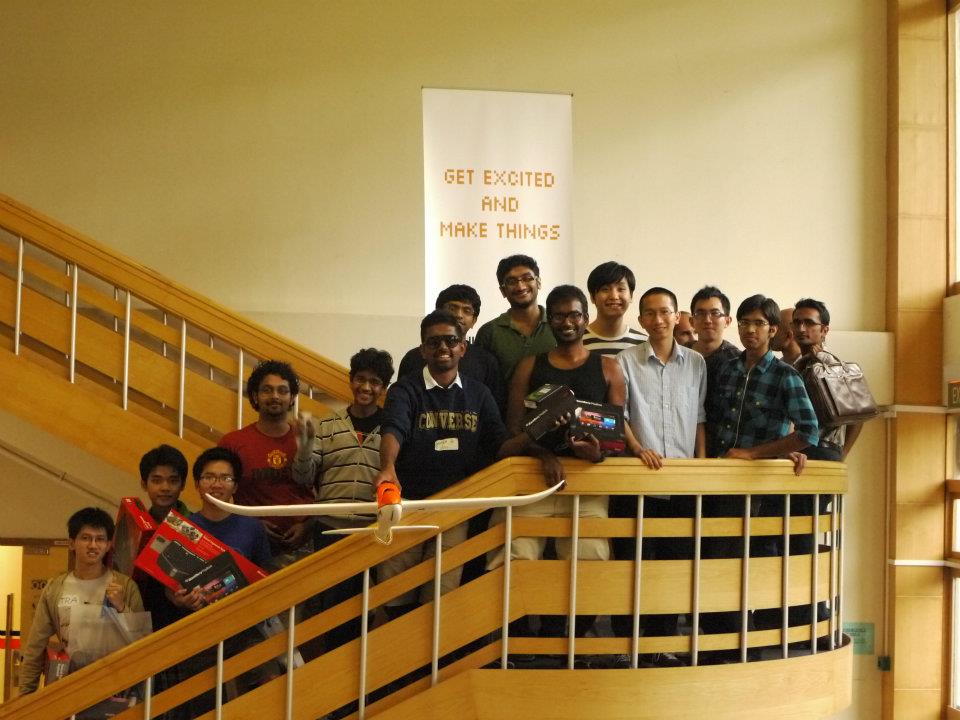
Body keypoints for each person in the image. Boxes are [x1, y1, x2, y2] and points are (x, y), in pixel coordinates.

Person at [374, 309, 563, 615]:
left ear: (463, 347)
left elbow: (500, 445)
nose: (443, 347)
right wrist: (388, 466)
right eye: (434, 342)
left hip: (456, 507)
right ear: (423, 350)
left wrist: (536, 432)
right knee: (395, 595)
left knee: (441, 596)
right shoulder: (404, 390)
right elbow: (394, 428)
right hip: (409, 504)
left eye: (451, 341)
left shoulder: (479, 393)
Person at [489, 285, 626, 642]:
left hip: (587, 485)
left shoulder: (608, 368)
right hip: (533, 481)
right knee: (515, 557)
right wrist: (544, 454)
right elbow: (512, 431)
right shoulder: (529, 366)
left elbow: (615, 437)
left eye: (575, 315)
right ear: (550, 321)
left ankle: (570, 639)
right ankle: (519, 642)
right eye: (560, 316)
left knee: (591, 560)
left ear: (586, 319)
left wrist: (596, 453)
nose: (567, 322)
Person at [615, 287, 706, 664]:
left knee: (674, 567)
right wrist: (639, 448)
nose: (658, 319)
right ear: (640, 320)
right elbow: (618, 415)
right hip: (639, 479)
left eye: (665, 312)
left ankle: (663, 644)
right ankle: (627, 647)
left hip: (683, 482)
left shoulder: (696, 362)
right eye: (650, 313)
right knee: (633, 565)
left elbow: (699, 417)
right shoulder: (625, 360)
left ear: (677, 316)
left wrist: (702, 467)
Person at [293, 347, 394, 648]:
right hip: (329, 529)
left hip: (375, 529)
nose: (366, 387)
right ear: (351, 381)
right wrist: (304, 445)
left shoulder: (393, 428)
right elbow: (303, 477)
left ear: (383, 388)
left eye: (375, 382)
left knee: (372, 605)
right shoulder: (326, 425)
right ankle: (335, 664)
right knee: (333, 608)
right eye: (360, 379)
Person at [19, 508, 144, 695]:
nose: (93, 545)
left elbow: (143, 642)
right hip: (69, 686)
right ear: (72, 543)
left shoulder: (125, 586)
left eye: (100, 539)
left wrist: (121, 607)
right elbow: (35, 647)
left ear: (109, 545)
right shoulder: (55, 588)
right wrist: (25, 696)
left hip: (116, 688)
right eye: (86, 538)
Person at [219, 360, 314, 566]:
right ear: (255, 396)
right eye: (267, 390)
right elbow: (219, 497)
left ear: (292, 398)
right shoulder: (232, 443)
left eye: (283, 391)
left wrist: (308, 527)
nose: (275, 396)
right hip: (250, 543)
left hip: (304, 546)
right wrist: (251, 524)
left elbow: (325, 493)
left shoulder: (308, 439)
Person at [397, 284, 504, 411]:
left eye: (467, 311)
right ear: (438, 312)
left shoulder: (486, 362)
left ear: (474, 320)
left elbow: (495, 410)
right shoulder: (413, 358)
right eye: (452, 308)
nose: (459, 315)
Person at [791, 298, 863, 461]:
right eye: (797, 323)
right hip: (797, 448)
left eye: (809, 323)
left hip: (822, 450)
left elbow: (857, 416)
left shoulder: (830, 365)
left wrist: (843, 454)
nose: (801, 328)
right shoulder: (799, 364)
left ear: (824, 330)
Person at [474, 254, 556, 384]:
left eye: (527, 278)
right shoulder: (489, 332)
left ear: (538, 282)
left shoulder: (558, 325)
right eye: (512, 282)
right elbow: (481, 382)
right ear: (503, 290)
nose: (520, 287)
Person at [689, 286, 740, 457]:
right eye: (700, 313)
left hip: (725, 452)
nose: (707, 320)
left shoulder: (738, 361)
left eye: (715, 313)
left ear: (728, 321)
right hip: (682, 448)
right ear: (692, 321)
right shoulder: (678, 356)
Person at [582, 261, 647, 355]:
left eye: (621, 289)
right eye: (605, 289)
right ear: (592, 297)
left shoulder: (644, 344)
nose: (614, 296)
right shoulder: (577, 342)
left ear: (631, 296)